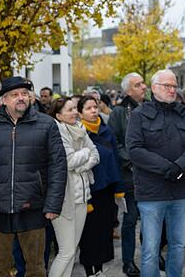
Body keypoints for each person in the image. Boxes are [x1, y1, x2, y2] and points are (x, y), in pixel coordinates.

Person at [0, 76, 67, 277]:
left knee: (36, 268)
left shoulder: (47, 124)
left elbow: (58, 167)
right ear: (4, 100)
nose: (20, 98)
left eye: (24, 93)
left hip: (33, 206)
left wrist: (53, 204)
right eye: (14, 95)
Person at [126, 69, 185, 277]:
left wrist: (180, 167)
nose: (171, 90)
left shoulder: (184, 113)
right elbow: (135, 150)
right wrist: (168, 168)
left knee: (177, 245)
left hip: (181, 191)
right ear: (154, 88)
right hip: (152, 192)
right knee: (151, 248)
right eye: (166, 86)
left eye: (174, 86)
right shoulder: (139, 115)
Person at [47, 97, 100, 277]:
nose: (75, 113)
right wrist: (84, 153)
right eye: (69, 110)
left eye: (75, 109)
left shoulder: (80, 129)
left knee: (72, 249)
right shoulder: (57, 132)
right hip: (64, 199)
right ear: (58, 115)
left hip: (82, 196)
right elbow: (70, 162)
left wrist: (81, 163)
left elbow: (96, 156)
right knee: (66, 251)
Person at [77, 95, 125, 276]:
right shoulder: (78, 133)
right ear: (80, 112)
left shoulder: (106, 131)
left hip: (106, 190)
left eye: (95, 107)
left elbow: (116, 160)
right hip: (88, 191)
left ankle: (100, 270)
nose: (93, 111)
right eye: (88, 108)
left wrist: (119, 188)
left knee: (105, 232)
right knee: (89, 234)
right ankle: (90, 270)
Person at [107, 72, 147, 277]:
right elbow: (113, 140)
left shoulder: (150, 108)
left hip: (151, 174)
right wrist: (132, 161)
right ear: (128, 90)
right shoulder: (119, 112)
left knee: (152, 219)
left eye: (143, 83)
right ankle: (128, 261)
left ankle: (152, 255)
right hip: (129, 174)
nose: (144, 87)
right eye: (138, 85)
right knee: (130, 219)